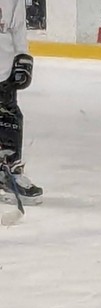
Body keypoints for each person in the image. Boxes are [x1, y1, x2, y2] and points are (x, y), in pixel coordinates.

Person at [0, 0, 43, 205]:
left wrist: (22, 56)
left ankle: (8, 173)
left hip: (3, 71)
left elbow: (17, 26)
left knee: (10, 119)